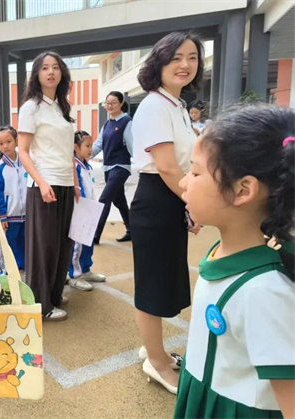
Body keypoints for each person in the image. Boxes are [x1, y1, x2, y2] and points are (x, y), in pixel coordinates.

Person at [174, 105, 295, 418]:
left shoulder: (264, 292)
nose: (184, 182)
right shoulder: (223, 252)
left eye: (195, 173)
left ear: (243, 190)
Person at [130, 31, 204, 394]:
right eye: (176, 58)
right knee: (153, 284)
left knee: (161, 279)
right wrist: (194, 204)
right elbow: (167, 166)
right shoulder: (155, 105)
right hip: (158, 197)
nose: (185, 65)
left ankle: (154, 349)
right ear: (159, 63)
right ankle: (156, 362)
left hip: (169, 196)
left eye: (192, 57)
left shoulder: (175, 105)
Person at [18, 51, 79, 322]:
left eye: (55, 67)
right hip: (44, 183)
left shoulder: (63, 107)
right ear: (37, 74)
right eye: (44, 68)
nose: (51, 72)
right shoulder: (31, 107)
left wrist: (75, 182)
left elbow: (68, 151)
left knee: (64, 243)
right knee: (44, 247)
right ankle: (41, 304)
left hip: (65, 181)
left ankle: (53, 294)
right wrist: (41, 182)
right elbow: (23, 151)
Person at [90, 91, 133, 243]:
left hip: (121, 167)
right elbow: (98, 145)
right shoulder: (107, 124)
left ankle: (94, 235)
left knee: (104, 199)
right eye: (107, 103)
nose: (110, 105)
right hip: (108, 168)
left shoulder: (127, 122)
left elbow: (133, 146)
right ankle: (132, 230)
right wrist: (82, 156)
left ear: (121, 104)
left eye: (113, 102)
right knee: (119, 201)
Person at [68, 130, 107, 290]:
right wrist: (84, 206)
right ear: (76, 147)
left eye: (91, 146)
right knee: (77, 245)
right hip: (80, 211)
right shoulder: (75, 166)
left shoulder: (87, 165)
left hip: (89, 210)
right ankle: (74, 275)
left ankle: (85, 270)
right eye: (87, 146)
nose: (91, 149)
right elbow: (79, 190)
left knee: (88, 243)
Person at [0, 125, 27, 272]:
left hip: (26, 215)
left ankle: (23, 267)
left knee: (24, 243)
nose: (5, 146)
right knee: (8, 244)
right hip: (10, 216)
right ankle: (5, 271)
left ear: (16, 141)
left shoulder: (26, 162)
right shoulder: (0, 168)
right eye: (1, 143)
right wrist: (2, 215)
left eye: (8, 141)